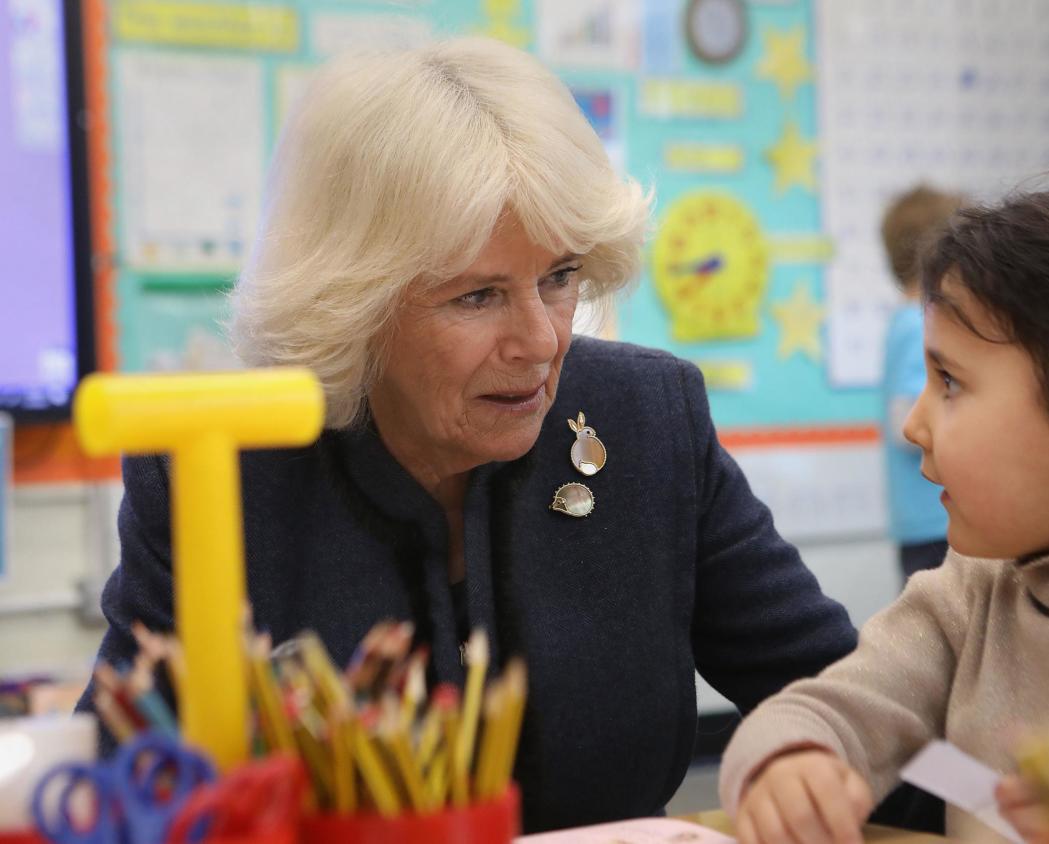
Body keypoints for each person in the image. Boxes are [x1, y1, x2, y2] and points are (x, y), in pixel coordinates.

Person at [81, 38, 860, 833]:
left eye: (559, 278)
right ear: (354, 303)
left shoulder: (648, 417)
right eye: (479, 296)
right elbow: (112, 783)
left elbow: (860, 707)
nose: (542, 341)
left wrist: (953, 784)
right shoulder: (228, 466)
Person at [717, 171, 1049, 843]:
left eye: (951, 382)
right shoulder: (967, 598)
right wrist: (791, 762)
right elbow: (828, 709)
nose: (913, 425)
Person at [879, 186, 961, 581]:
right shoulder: (919, 324)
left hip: (925, 518)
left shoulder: (908, 321)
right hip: (933, 519)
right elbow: (905, 424)